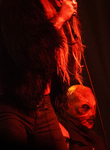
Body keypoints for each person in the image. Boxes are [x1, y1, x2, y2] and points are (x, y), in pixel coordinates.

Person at [0, 0, 84, 149]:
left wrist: (68, 23)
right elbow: (28, 52)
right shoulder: (16, 6)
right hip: (12, 103)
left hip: (43, 104)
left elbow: (64, 64)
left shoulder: (54, 7)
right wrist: (59, 19)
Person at [57, 84, 106, 150]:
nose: (93, 113)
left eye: (94, 107)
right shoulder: (61, 131)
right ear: (69, 106)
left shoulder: (96, 139)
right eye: (85, 107)